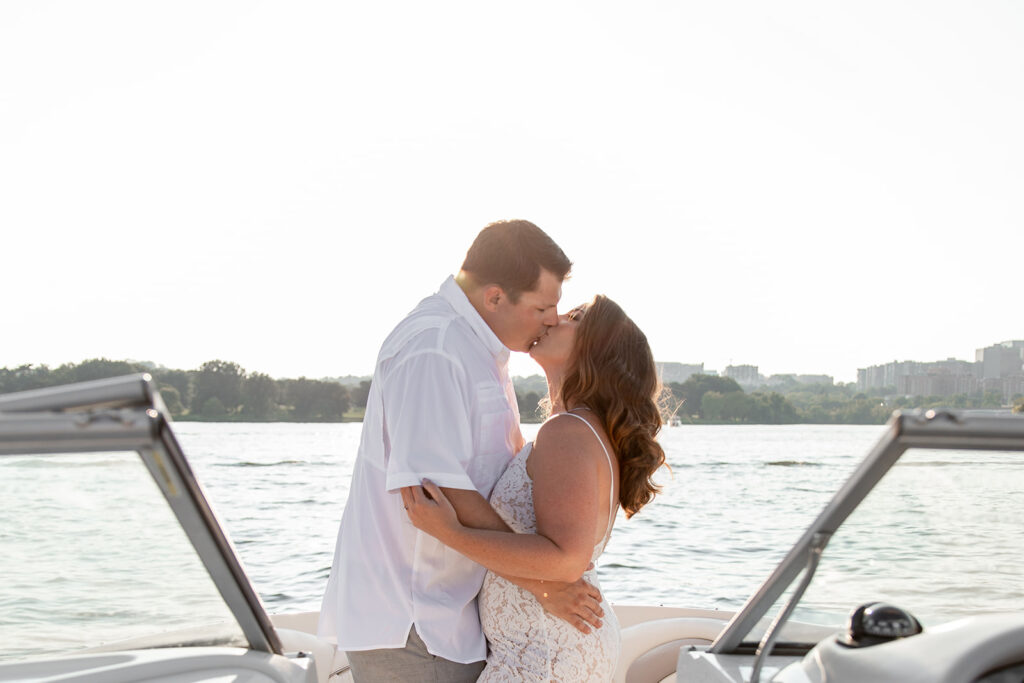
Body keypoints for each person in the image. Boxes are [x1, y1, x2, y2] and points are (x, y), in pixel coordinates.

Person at [317, 219, 605, 682]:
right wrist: (544, 588)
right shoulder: (435, 349)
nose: (553, 318)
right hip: (413, 622)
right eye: (543, 307)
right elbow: (436, 494)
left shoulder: (479, 352)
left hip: (448, 617)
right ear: (494, 297)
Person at [403, 294, 667, 681]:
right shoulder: (577, 430)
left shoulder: (568, 431)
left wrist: (450, 532)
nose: (554, 317)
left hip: (545, 656)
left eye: (575, 317)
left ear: (598, 347)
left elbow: (565, 561)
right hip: (547, 648)